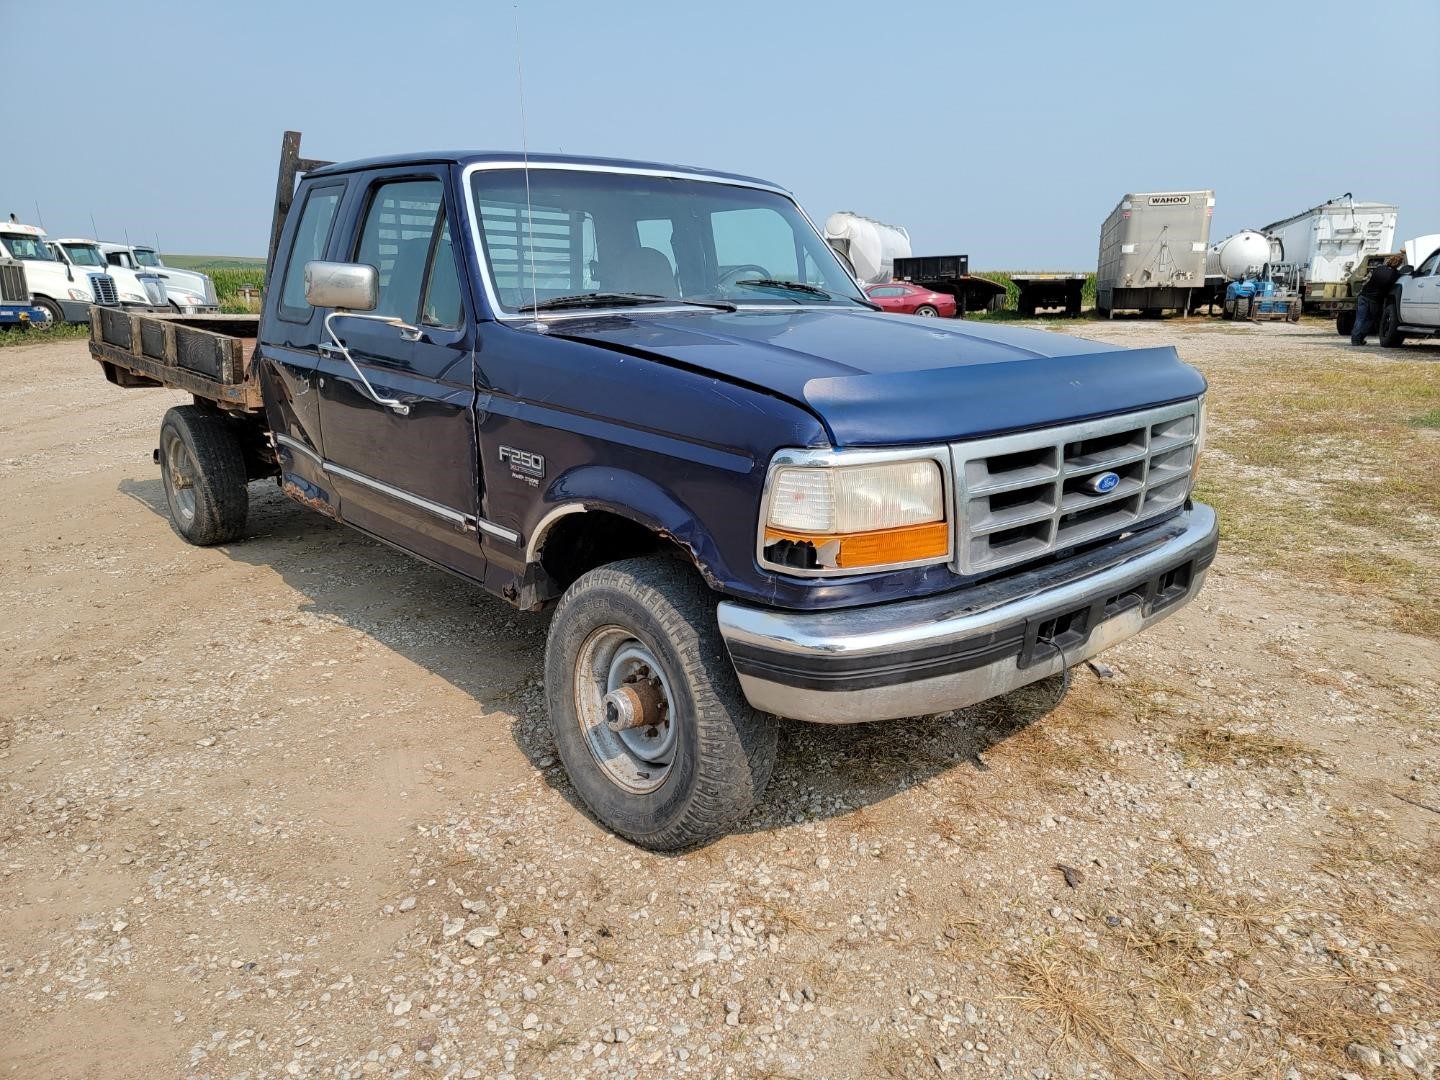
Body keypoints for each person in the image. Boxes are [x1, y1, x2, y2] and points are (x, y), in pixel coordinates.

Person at [1351, 253, 1405, 345]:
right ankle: (1360, 338)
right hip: (1375, 299)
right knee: (1370, 319)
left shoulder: (1379, 268)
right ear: (1398, 264)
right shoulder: (1395, 275)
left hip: (1363, 295)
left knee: (1360, 319)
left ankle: (1355, 339)